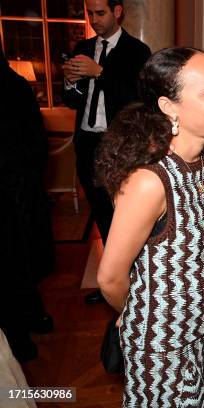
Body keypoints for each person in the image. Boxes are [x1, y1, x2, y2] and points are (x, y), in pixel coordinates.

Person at [95, 47, 204, 407]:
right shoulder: (150, 182)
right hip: (165, 343)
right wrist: (138, 317)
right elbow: (110, 278)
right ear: (169, 107)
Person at [61, 0, 151, 304]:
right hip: (87, 143)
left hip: (121, 147)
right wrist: (70, 83)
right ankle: (112, 282)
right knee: (101, 214)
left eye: (100, 13)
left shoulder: (137, 52)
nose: (94, 20)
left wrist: (99, 72)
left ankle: (137, 286)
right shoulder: (82, 48)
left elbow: (138, 102)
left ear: (117, 11)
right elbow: (72, 101)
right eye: (90, 13)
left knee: (126, 216)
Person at [0, 46, 54, 362]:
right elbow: (37, 143)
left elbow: (35, 143)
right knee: (19, 262)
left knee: (11, 265)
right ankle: (31, 318)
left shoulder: (13, 86)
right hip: (20, 190)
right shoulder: (16, 85)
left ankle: (20, 334)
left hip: (14, 192)